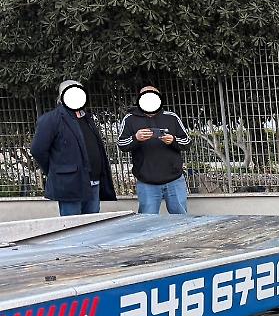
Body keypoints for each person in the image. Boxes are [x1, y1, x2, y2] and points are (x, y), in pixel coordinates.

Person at [30, 80, 117, 216]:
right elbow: (37, 150)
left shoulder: (86, 118)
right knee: (72, 227)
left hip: (93, 183)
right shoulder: (52, 119)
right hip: (70, 184)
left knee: (92, 225)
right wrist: (56, 170)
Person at [116, 85, 192, 214]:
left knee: (181, 219)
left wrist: (172, 140)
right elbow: (121, 144)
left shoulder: (171, 117)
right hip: (147, 183)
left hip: (174, 180)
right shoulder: (130, 119)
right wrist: (136, 138)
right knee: (147, 221)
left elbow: (187, 142)